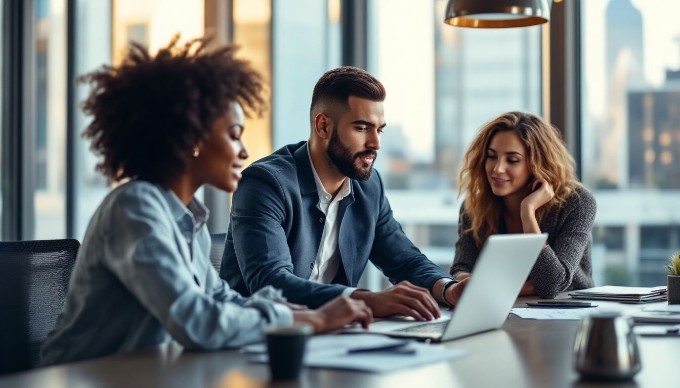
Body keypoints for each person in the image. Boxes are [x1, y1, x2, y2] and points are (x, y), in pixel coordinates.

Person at [39, 37, 372, 366]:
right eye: (233, 134)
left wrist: (294, 314)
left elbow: (220, 299)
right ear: (194, 136)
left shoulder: (188, 218)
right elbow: (196, 321)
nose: (243, 151)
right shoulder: (134, 208)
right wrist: (308, 321)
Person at [220, 66, 467, 321]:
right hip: (260, 341)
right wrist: (367, 300)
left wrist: (448, 289)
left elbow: (404, 260)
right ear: (323, 126)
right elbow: (270, 283)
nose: (375, 143)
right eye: (362, 128)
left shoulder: (368, 187)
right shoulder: (265, 183)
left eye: (379, 129)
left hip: (332, 337)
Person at [449, 111, 596, 299]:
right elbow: (461, 269)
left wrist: (528, 212)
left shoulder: (577, 202)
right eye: (492, 156)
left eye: (512, 160)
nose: (497, 169)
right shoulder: (475, 206)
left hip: (567, 313)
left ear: (537, 163)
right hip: (502, 312)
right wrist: (514, 288)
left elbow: (552, 284)